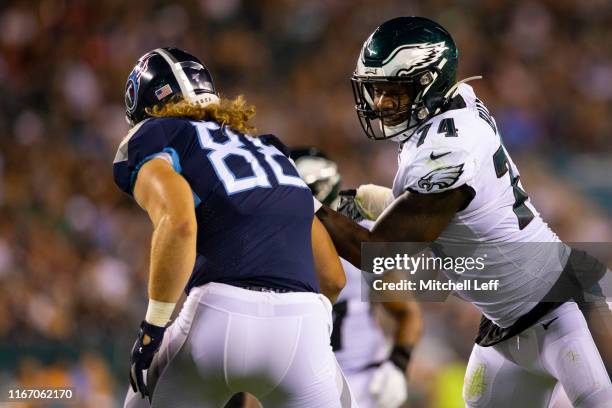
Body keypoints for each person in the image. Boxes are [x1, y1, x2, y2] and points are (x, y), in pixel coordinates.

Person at [314, 17, 612, 408]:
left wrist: (308, 205)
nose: (381, 103)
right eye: (377, 90)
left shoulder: (450, 147)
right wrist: (368, 200)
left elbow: (380, 252)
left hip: (566, 309)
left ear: (429, 82)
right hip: (505, 326)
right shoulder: (452, 109)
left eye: (394, 91)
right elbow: (450, 214)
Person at [113, 47, 355, 407]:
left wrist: (152, 329)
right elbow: (333, 277)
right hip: (303, 323)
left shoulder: (157, 135)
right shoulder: (273, 151)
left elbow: (178, 223)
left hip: (218, 318)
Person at [293, 148, 423, 408]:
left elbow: (407, 313)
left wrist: (397, 365)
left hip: (364, 378)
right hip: (302, 384)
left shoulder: (360, 242)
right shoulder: (273, 244)